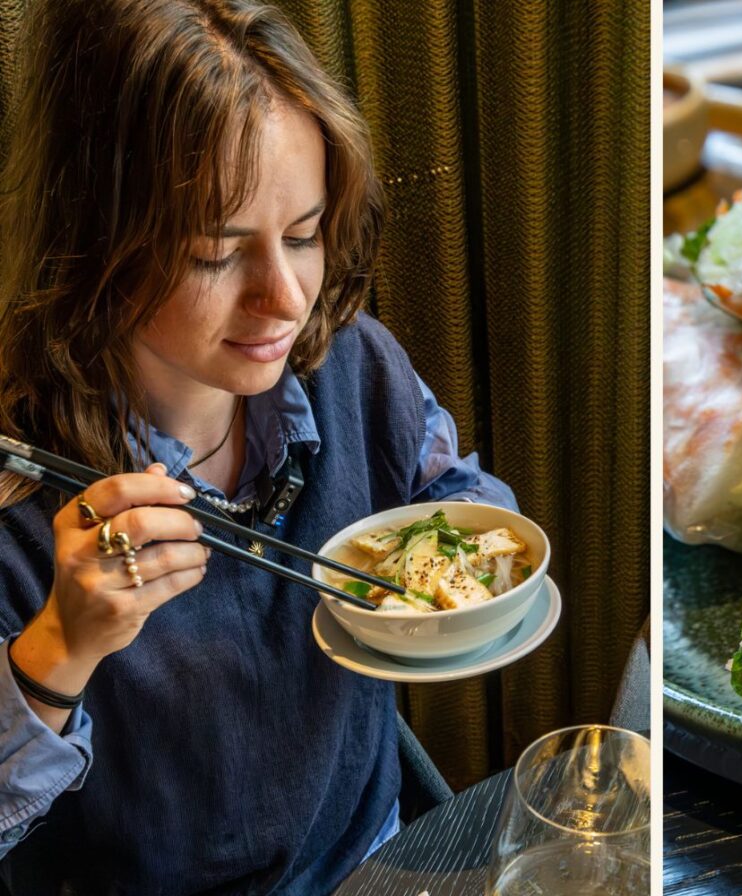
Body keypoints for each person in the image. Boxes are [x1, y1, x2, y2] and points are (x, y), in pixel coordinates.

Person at [0, 0, 516, 891]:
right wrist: (58, 651)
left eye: (305, 235)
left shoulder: (352, 364)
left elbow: (463, 501)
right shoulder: (17, 482)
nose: (286, 298)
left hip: (375, 861)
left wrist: (466, 569)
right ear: (92, 240)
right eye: (214, 252)